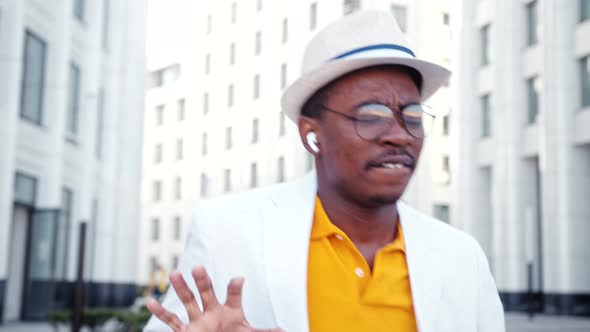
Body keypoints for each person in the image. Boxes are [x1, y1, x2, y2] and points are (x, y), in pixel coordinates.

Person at [144, 10, 505, 332]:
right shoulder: (228, 233)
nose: (399, 135)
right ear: (311, 134)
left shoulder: (462, 258)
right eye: (371, 115)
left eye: (411, 116)